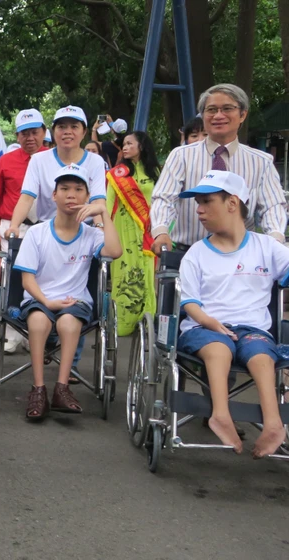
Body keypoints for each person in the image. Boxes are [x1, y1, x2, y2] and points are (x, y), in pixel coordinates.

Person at [175, 170, 289, 457]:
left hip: (253, 329)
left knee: (262, 353)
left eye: (207, 201)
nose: (199, 209)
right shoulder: (197, 253)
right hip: (204, 327)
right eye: (198, 202)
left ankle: (274, 423)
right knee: (219, 348)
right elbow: (189, 302)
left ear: (232, 203)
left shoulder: (268, 247)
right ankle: (221, 413)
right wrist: (209, 321)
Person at [13, 164, 122, 420]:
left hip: (76, 301)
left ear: (87, 197)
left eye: (78, 189)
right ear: (54, 195)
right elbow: (27, 280)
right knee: (39, 321)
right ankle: (38, 389)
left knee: (70, 322)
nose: (71, 194)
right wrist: (47, 302)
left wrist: (104, 213)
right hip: (40, 297)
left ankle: (62, 388)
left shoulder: (92, 235)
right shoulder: (37, 233)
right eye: (64, 189)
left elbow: (115, 252)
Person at [150, 83, 288, 256]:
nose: (219, 115)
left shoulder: (261, 162)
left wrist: (274, 239)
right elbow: (164, 198)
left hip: (242, 257)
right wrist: (161, 231)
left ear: (242, 114)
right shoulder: (181, 156)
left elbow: (273, 206)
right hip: (188, 253)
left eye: (227, 108)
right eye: (212, 110)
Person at [0, 109, 47, 352]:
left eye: (34, 132)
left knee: (43, 280)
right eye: (24, 134)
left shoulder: (53, 158)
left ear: (44, 133)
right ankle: (12, 335)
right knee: (13, 282)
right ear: (17, 136)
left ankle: (41, 334)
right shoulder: (6, 161)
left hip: (45, 229)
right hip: (12, 229)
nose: (29, 138)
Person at [6, 105, 108, 238]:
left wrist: (100, 228)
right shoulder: (38, 160)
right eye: (62, 127)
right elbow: (26, 198)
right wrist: (14, 226)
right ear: (53, 132)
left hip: (84, 230)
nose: (67, 132)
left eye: (74, 127)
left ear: (84, 132)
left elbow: (97, 202)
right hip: (47, 229)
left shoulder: (95, 161)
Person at [105, 131, 161, 336]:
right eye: (124, 144)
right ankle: (123, 323)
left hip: (147, 229)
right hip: (122, 229)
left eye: (129, 144)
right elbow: (109, 202)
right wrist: (105, 229)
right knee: (124, 272)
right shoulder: (117, 173)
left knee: (146, 273)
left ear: (142, 146)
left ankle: (146, 320)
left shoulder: (155, 171)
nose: (125, 147)